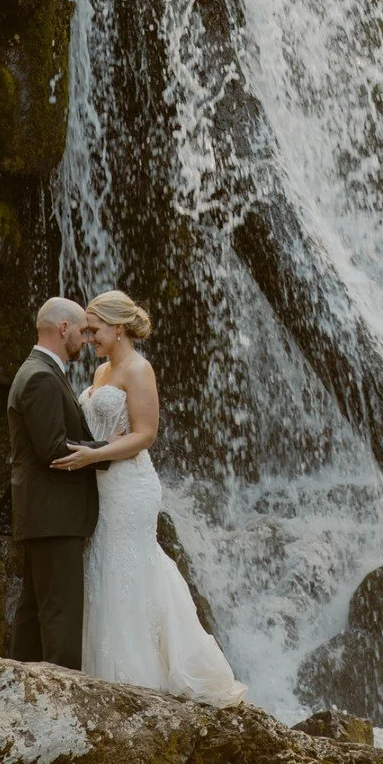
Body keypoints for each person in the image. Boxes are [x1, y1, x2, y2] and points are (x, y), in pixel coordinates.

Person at [51, 288, 246, 705]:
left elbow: (146, 435)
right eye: (86, 332)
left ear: (118, 328)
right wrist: (97, 449)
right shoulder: (102, 372)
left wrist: (98, 452)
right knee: (104, 567)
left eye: (94, 330)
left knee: (127, 570)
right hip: (102, 483)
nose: (88, 339)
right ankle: (104, 674)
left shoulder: (140, 370)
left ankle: (139, 680)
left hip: (130, 487)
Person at [6, 296, 100, 668]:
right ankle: (63, 706)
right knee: (61, 621)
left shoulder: (37, 371)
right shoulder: (41, 377)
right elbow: (53, 450)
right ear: (64, 329)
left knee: (32, 616)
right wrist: (108, 448)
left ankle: (17, 688)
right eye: (83, 331)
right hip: (53, 518)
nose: (87, 338)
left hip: (43, 517)